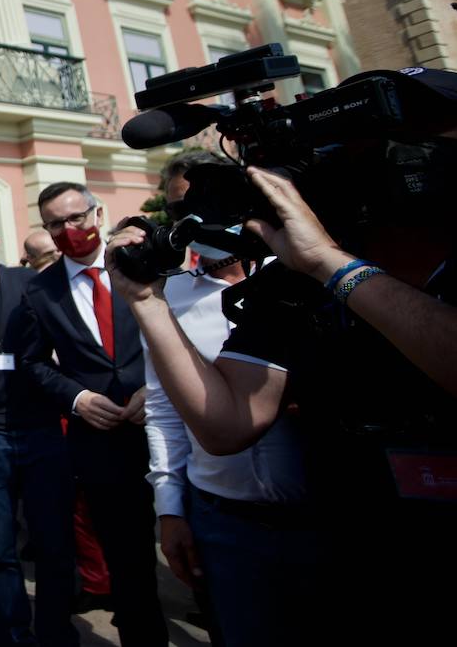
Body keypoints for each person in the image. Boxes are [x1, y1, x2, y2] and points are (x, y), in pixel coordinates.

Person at [106, 66, 457, 642]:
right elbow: (225, 423)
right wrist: (146, 301)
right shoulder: (296, 278)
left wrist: (333, 265)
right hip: (364, 562)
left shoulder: (322, 263)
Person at [141, 151, 316, 646]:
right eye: (181, 210)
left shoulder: (304, 274)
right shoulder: (167, 297)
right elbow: (164, 409)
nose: (199, 218)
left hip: (323, 514)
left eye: (211, 202)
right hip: (222, 522)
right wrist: (170, 508)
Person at [14, 183, 168, 647]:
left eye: (76, 218)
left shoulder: (141, 266)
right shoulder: (40, 290)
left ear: (97, 214)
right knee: (128, 561)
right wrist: (77, 398)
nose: (68, 230)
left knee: (201, 554)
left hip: (169, 423)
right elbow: (32, 362)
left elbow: (180, 327)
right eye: (55, 223)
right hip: (102, 444)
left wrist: (156, 385)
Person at [0, 215, 78, 647]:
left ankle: (56, 632)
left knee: (54, 544)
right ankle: (13, 635)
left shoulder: (28, 283)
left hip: (41, 430)